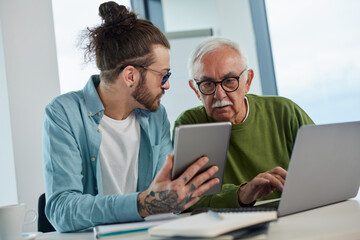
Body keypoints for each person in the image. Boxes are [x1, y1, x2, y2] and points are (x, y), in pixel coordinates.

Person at [42, 2, 219, 232]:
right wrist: (142, 204)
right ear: (130, 76)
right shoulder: (63, 113)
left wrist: (175, 195)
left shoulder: (156, 116)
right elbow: (62, 210)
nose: (166, 86)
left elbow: (162, 199)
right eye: (163, 76)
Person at [173, 37, 314, 209]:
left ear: (247, 81)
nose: (219, 94)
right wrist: (241, 194)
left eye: (229, 81)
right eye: (208, 84)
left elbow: (323, 171)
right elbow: (184, 199)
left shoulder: (285, 111)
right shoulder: (190, 124)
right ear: (196, 89)